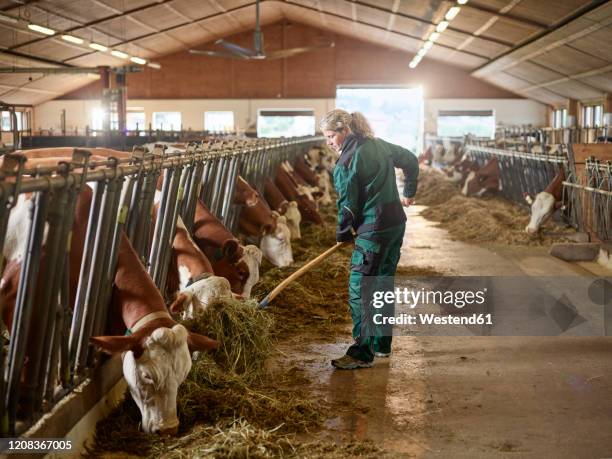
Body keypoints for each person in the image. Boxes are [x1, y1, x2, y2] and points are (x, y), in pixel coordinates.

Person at [319, 109, 419, 370]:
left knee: (360, 289)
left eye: (331, 136)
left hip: (373, 232)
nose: (328, 142)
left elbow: (348, 207)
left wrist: (343, 233)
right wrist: (408, 192)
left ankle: (362, 353)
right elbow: (410, 159)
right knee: (383, 283)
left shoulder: (347, 162)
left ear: (345, 131)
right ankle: (381, 345)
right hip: (395, 224)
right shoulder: (379, 145)